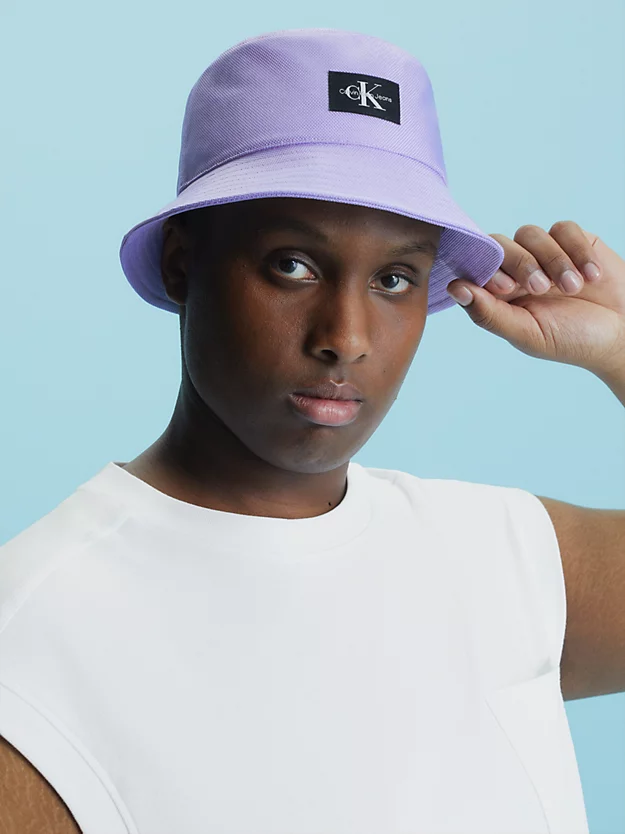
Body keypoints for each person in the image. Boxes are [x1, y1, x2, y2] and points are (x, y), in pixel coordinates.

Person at [3, 26, 624, 834]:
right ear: (183, 262)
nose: (347, 337)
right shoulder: (34, 647)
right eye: (292, 264)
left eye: (394, 278)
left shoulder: (504, 556)